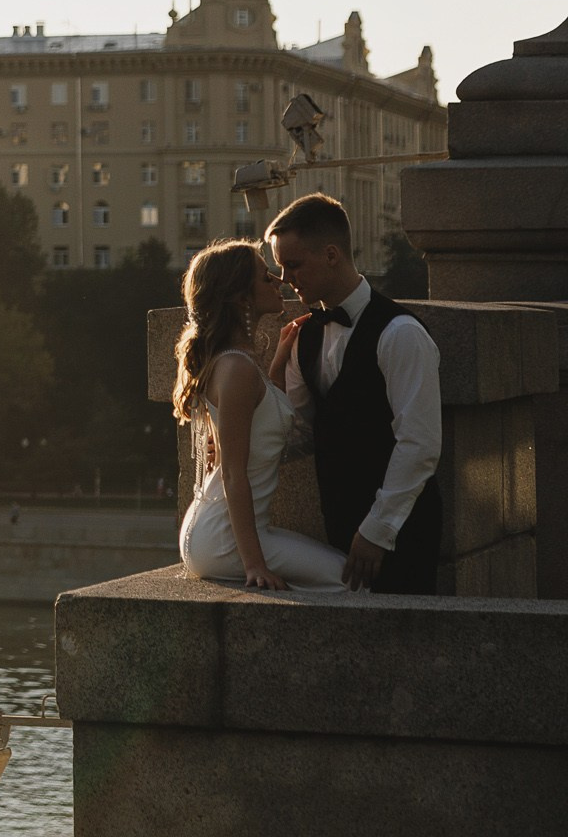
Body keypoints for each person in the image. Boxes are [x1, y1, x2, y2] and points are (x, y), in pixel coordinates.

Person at [269, 192, 443, 594]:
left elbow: (420, 444)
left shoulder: (401, 333)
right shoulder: (303, 337)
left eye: (293, 265)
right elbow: (302, 431)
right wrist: (241, 446)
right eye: (279, 267)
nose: (285, 278)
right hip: (339, 526)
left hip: (403, 530)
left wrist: (377, 529)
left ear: (331, 254)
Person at [174, 239, 347, 590]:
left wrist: (279, 362)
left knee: (339, 570)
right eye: (266, 277)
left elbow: (263, 419)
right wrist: (254, 565)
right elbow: (233, 474)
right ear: (242, 298)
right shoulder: (236, 368)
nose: (279, 281)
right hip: (224, 539)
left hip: (214, 531)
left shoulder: (236, 362)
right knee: (349, 580)